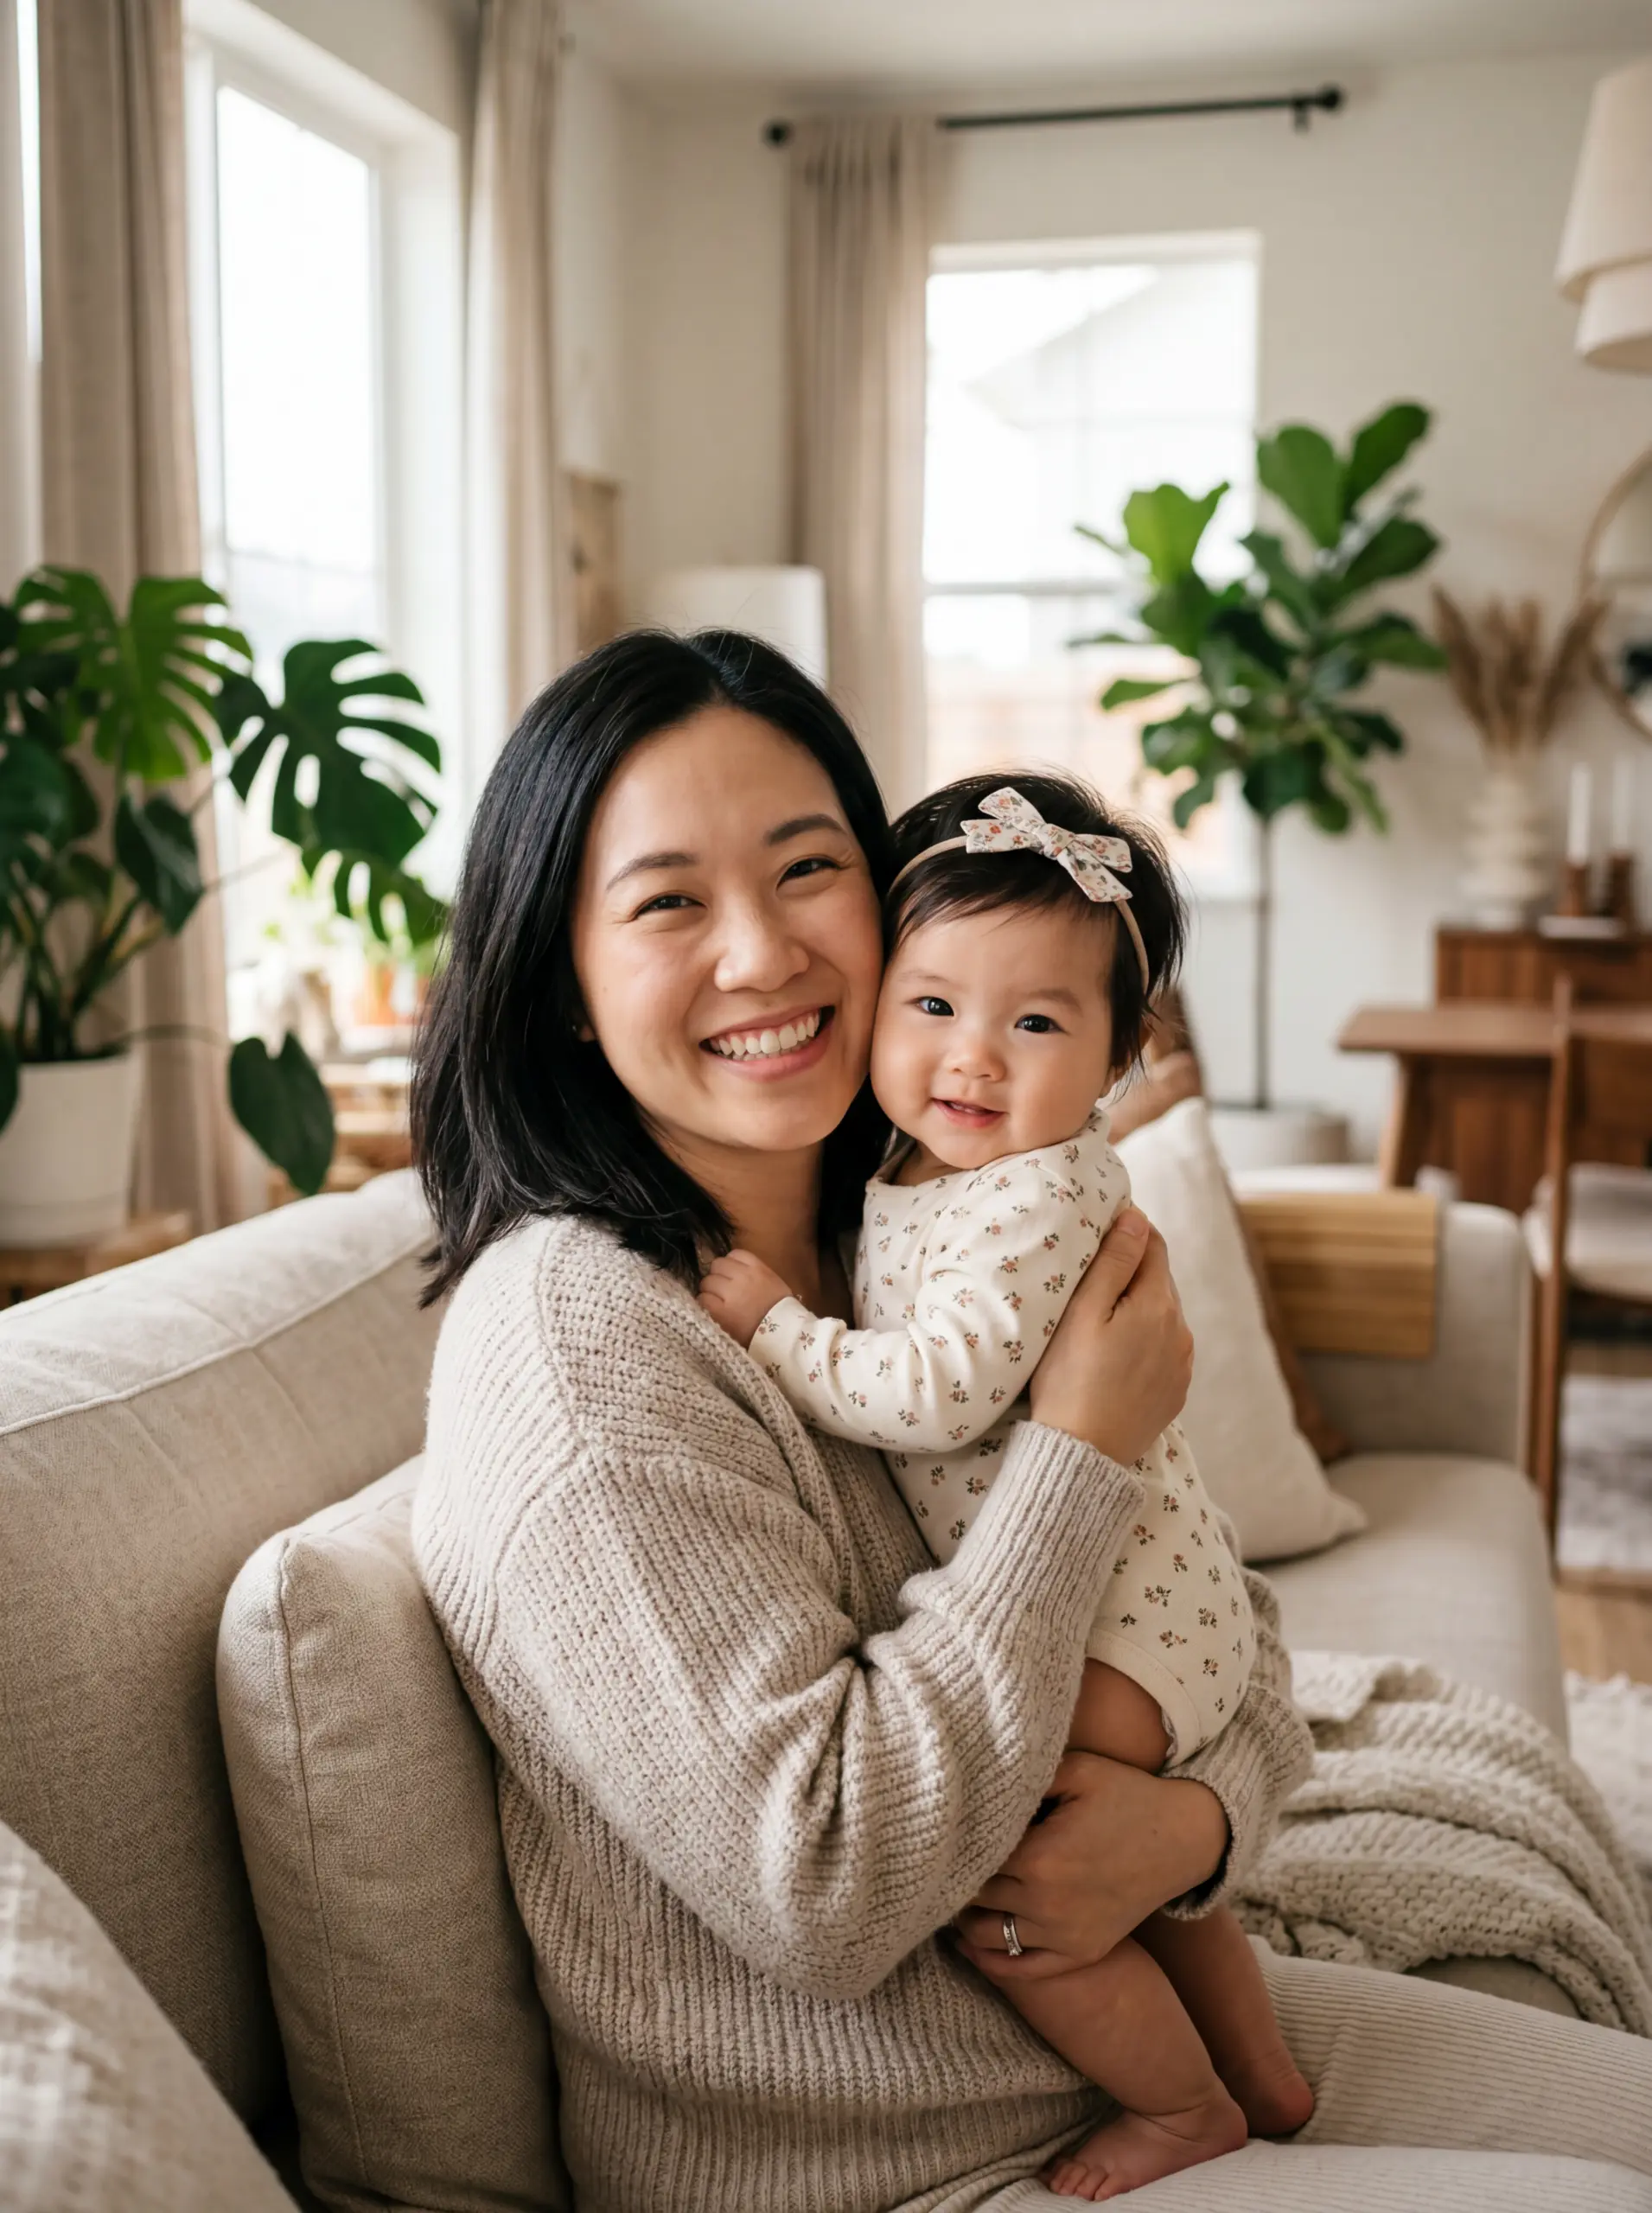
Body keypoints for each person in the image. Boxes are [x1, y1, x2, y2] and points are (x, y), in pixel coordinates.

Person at [411, 628, 1652, 2213]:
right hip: (891, 2161)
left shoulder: (920, 1220)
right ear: (563, 988)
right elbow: (834, 1880)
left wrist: (1190, 1831)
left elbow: (1219, 1634)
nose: (761, 953)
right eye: (667, 902)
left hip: (1087, 2049)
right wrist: (1077, 1450)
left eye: (807, 870)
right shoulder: (586, 1348)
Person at [698, 772, 1311, 2198]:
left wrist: (780, 1329)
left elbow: (941, 1392)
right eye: (931, 1007)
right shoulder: (921, 1165)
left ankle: (1179, 2108)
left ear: (1112, 1064)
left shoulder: (1040, 1193)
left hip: (1121, 1624)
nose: (972, 1058)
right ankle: (1263, 2072)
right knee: (1134, 1865)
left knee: (1020, 1881)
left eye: (1034, 1022)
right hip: (1150, 1605)